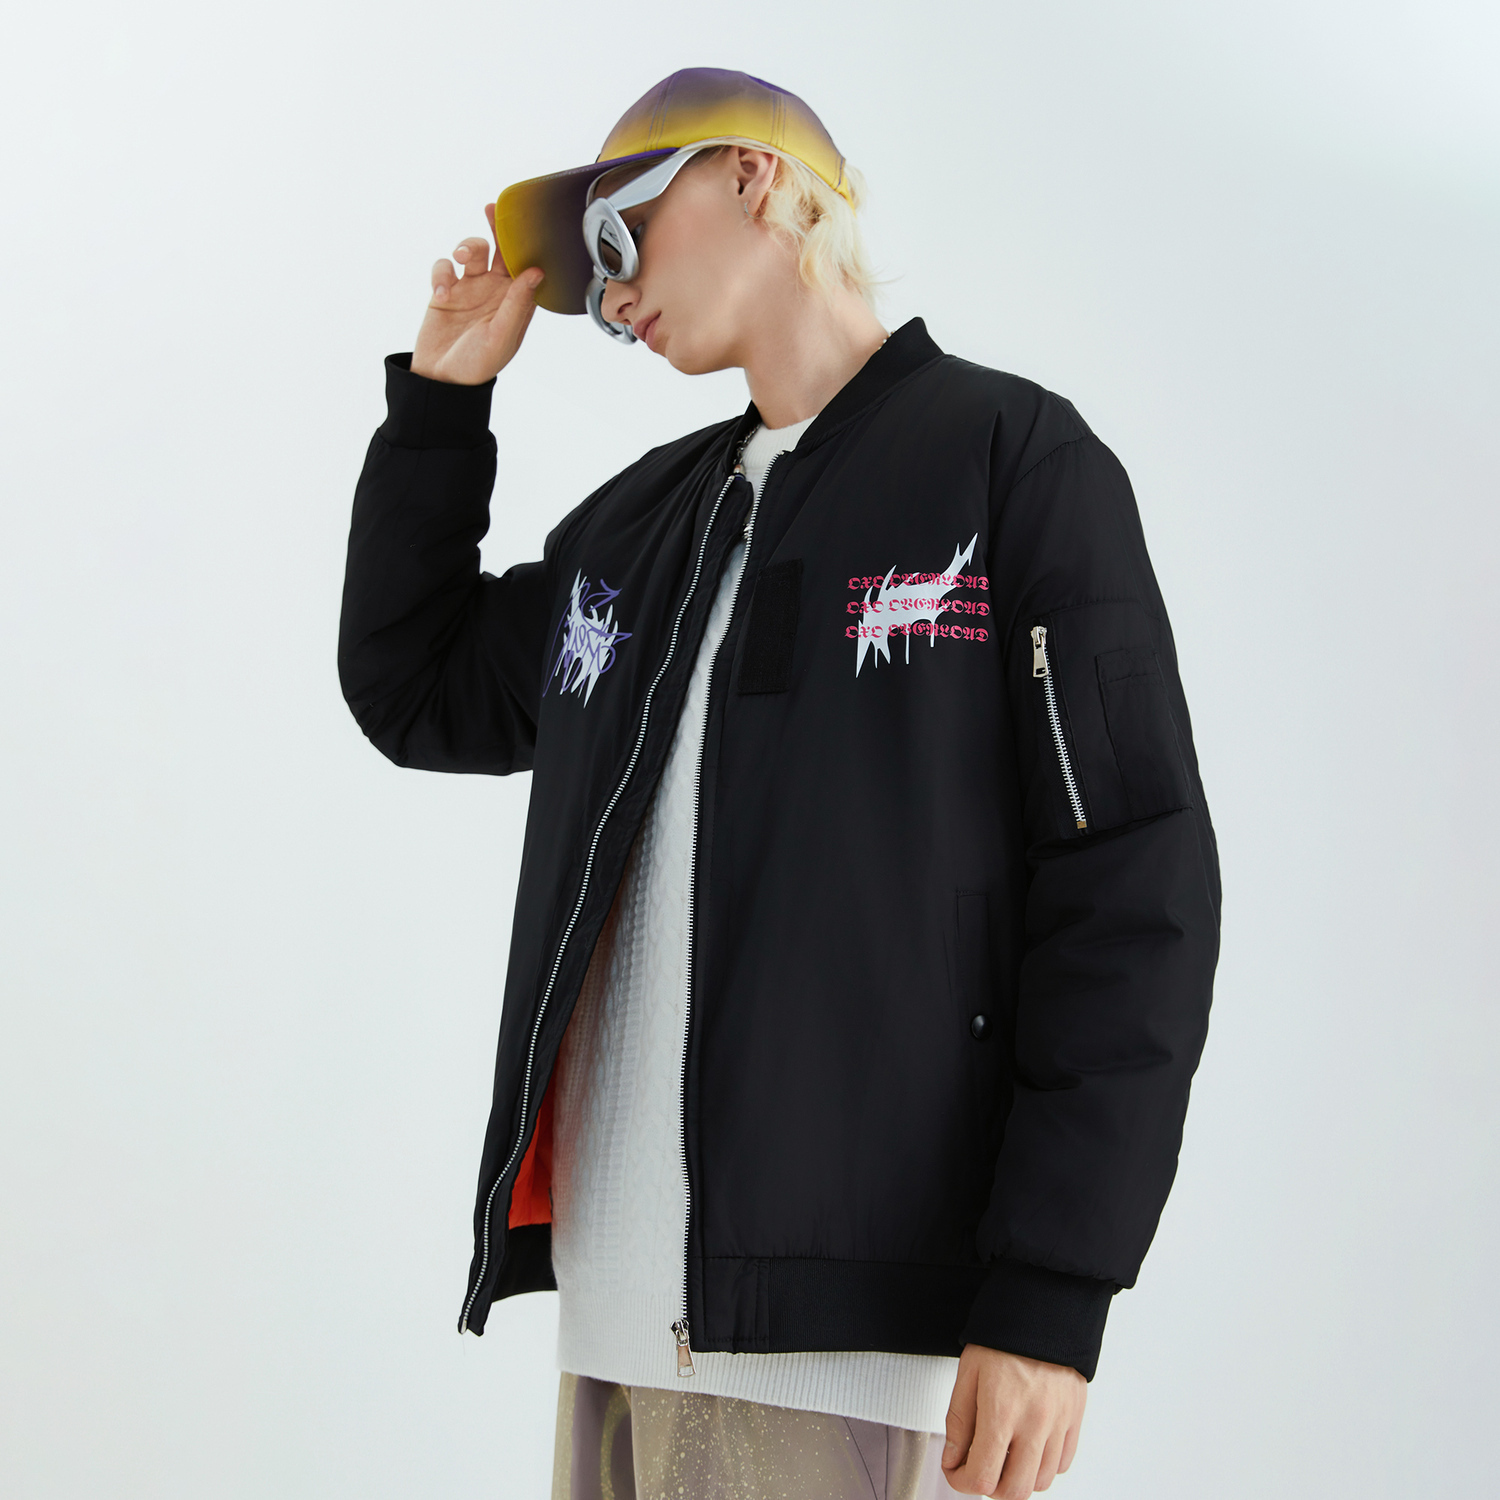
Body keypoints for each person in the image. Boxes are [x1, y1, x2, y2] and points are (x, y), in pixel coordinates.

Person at [338, 67, 1220, 1500]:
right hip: (617, 1335)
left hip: (846, 1353)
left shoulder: (1009, 464)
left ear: (751, 177)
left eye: (620, 236)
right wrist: (442, 408)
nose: (612, 297)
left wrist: (1052, 1296)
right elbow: (416, 684)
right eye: (590, 278)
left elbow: (1132, 885)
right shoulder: (642, 528)